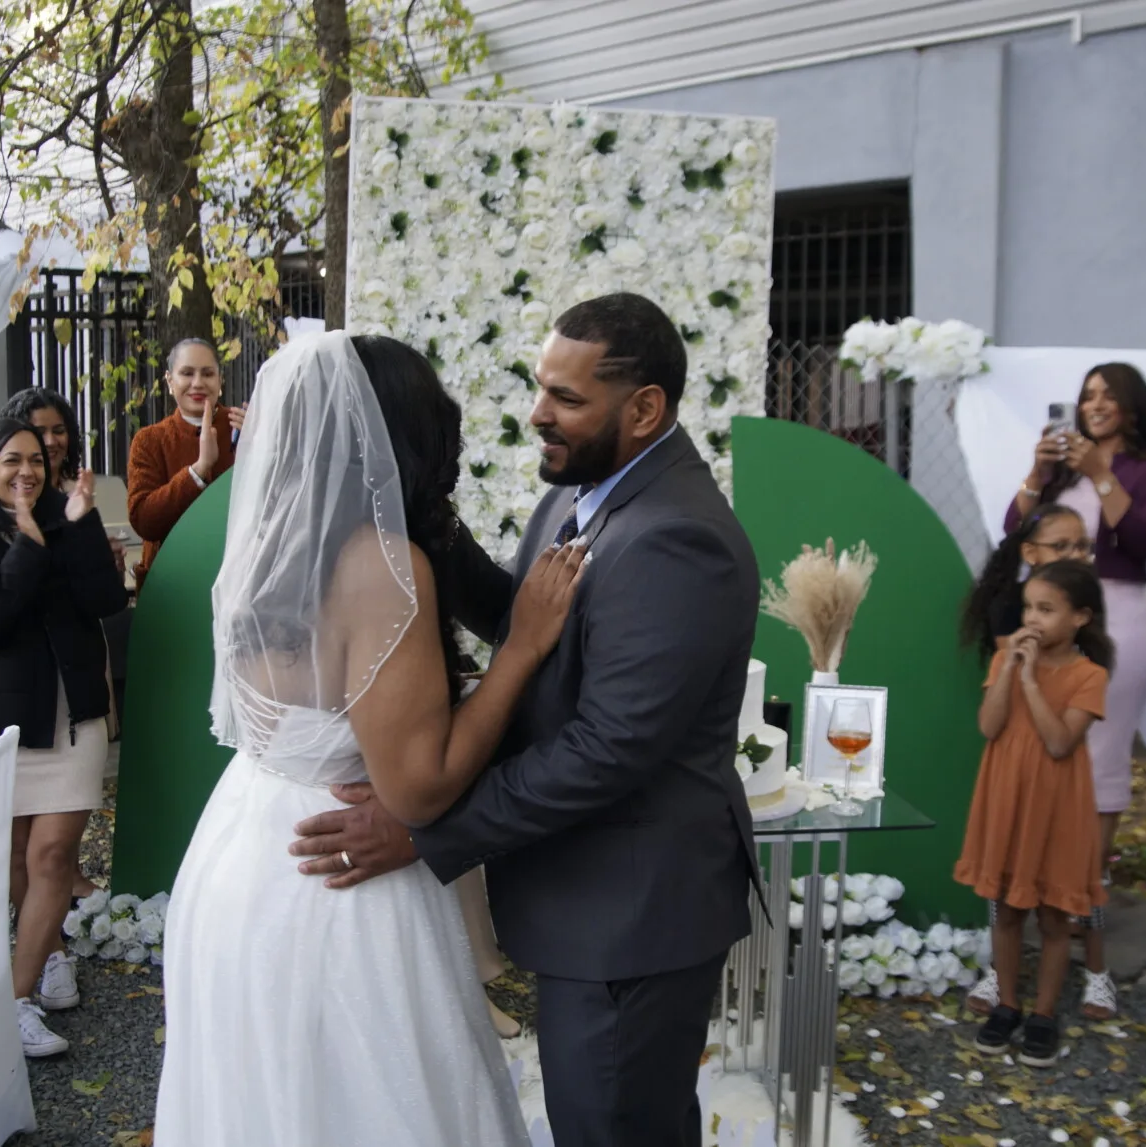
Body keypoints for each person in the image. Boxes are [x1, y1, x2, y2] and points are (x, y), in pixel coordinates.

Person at [292, 293, 763, 1147]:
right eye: (541, 386)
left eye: (568, 399)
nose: (538, 413)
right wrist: (426, 521)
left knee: (611, 1127)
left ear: (646, 406)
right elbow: (534, 621)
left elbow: (606, 747)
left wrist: (425, 833)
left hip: (633, 913)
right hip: (595, 898)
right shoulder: (588, 490)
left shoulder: (675, 539)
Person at [154, 332, 585, 1146]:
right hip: (337, 883)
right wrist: (523, 645)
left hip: (240, 856)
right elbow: (418, 787)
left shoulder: (268, 542)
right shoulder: (382, 564)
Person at [0, 419, 129, 1058]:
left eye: (36, 460)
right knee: (16, 856)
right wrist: (27, 546)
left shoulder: (66, 519)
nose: (26, 471)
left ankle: (14, 999)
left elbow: (106, 599)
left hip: (74, 721)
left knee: (51, 857)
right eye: (11, 460)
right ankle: (48, 954)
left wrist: (81, 521)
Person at [1007, 364, 1146, 953]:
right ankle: (1045, 876)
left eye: (1109, 395)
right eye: (1087, 395)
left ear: (1132, 407)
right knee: (1044, 748)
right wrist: (1038, 471)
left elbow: (1143, 539)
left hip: (1121, 622)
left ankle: (1088, 885)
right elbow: (1016, 532)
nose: (1095, 403)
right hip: (1052, 618)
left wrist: (1102, 474)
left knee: (1100, 757)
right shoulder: (1057, 475)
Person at [958, 504, 1118, 1018]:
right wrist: (1010, 670)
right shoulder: (1005, 658)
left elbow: (1058, 743)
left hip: (1056, 803)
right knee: (1005, 908)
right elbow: (988, 726)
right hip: (1008, 793)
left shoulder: (1090, 675)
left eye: (1046, 610)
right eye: (1029, 608)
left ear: (1080, 618)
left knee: (1052, 917)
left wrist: (1030, 680)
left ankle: (1045, 1013)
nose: (1032, 620)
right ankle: (1007, 1004)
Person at [1, 387, 116, 901]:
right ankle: (37, 920)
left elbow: (102, 594)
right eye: (36, 431)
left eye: (57, 429)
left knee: (64, 812)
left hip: (78, 656)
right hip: (18, 677)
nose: (49, 441)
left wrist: (88, 537)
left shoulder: (79, 491)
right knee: (20, 836)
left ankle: (63, 877)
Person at [126, 339, 243, 592]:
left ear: (220, 380)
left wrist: (264, 444)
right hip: (172, 589)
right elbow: (144, 521)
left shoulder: (245, 428)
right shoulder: (150, 440)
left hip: (236, 583)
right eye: (187, 373)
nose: (198, 383)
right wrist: (198, 471)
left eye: (208, 373)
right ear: (170, 381)